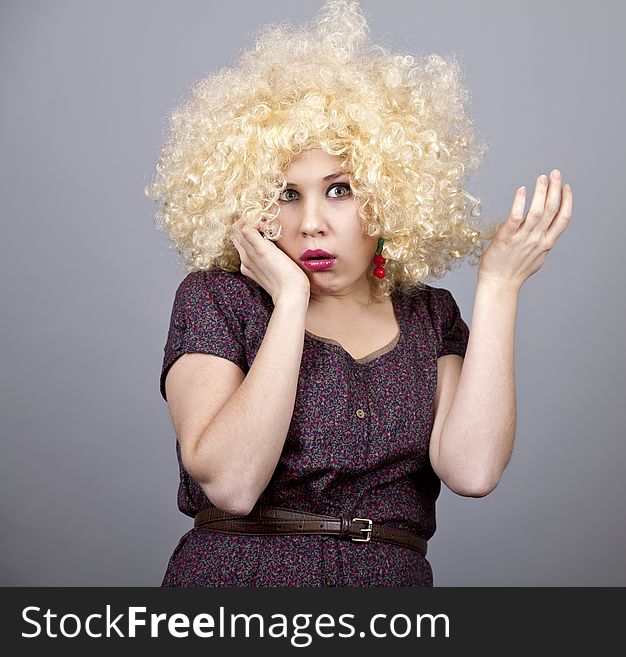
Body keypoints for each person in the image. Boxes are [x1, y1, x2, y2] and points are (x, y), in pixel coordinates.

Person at [145, 0, 572, 587]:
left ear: (391, 195)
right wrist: (290, 303)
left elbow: (472, 470)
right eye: (287, 194)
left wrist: (500, 286)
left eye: (340, 190)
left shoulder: (429, 315)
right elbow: (233, 483)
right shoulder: (217, 301)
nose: (312, 222)